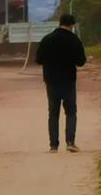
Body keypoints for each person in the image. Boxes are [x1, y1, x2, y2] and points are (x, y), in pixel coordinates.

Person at [34, 13, 86, 153]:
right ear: (72, 25)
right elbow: (81, 62)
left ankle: (53, 146)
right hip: (68, 80)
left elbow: (38, 59)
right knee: (71, 112)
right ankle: (70, 142)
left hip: (51, 81)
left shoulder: (47, 39)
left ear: (60, 23)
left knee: (53, 113)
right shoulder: (74, 40)